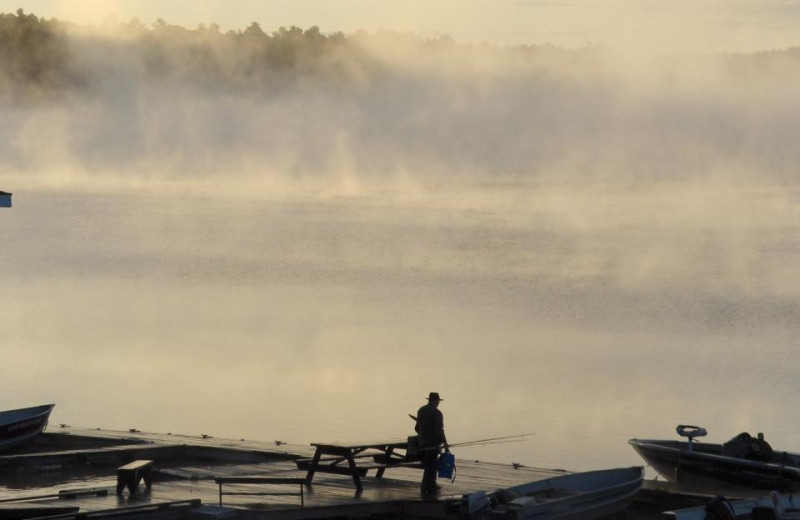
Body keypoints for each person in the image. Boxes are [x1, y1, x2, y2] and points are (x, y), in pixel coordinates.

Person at [415, 392, 449, 495]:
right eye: (438, 401)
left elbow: (416, 428)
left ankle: (427, 485)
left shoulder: (421, 410)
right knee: (432, 464)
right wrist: (445, 443)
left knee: (428, 463)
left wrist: (423, 436)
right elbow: (439, 430)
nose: (438, 403)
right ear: (434, 401)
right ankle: (428, 485)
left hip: (422, 442)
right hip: (432, 443)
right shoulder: (437, 413)